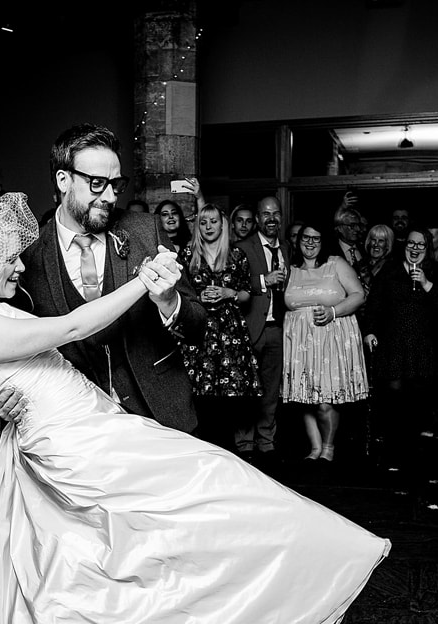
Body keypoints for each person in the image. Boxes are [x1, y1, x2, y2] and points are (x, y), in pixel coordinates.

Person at [0, 192, 389, 624]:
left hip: (98, 433)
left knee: (193, 515)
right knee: (205, 505)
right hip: (83, 452)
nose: (20, 265)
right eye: (10, 257)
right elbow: (76, 327)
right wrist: (144, 278)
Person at [15, 123, 206, 433]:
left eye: (116, 185)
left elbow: (198, 327)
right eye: (96, 183)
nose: (109, 196)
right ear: (63, 180)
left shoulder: (146, 231)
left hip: (157, 413)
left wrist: (170, 302)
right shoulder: (28, 255)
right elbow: (12, 340)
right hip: (73, 426)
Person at [365, 227, 438, 467]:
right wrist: (370, 331)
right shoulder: (390, 271)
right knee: (393, 396)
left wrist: (426, 283)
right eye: (410, 244)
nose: (414, 249)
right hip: (394, 345)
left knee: (419, 399)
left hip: (424, 347)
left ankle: (416, 457)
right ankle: (394, 451)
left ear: (428, 248)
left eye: (420, 245)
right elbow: (375, 303)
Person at [281, 224, 368, 463]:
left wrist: (333, 311)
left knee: (324, 400)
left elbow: (359, 295)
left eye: (316, 239)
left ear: (323, 241)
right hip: (298, 342)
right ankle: (315, 447)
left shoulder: (335, 263)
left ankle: (329, 447)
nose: (310, 243)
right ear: (298, 241)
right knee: (304, 399)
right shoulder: (290, 269)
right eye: (305, 238)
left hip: (330, 339)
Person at [180, 204, 260, 448]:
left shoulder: (236, 255)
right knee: (200, 397)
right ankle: (204, 452)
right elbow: (178, 293)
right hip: (199, 330)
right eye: (203, 223)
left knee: (229, 398)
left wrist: (229, 292)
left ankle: (228, 454)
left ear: (222, 225)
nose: (208, 227)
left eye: (213, 222)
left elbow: (248, 294)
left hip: (229, 333)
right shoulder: (187, 253)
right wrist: (197, 298)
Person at [235, 195, 288, 463]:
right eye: (266, 214)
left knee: (270, 389)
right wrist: (263, 281)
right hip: (249, 327)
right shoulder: (242, 247)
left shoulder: (288, 249)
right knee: (246, 388)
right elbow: (235, 282)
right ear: (258, 219)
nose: (271, 219)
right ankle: (244, 443)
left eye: (275, 214)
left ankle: (266, 441)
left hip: (277, 328)